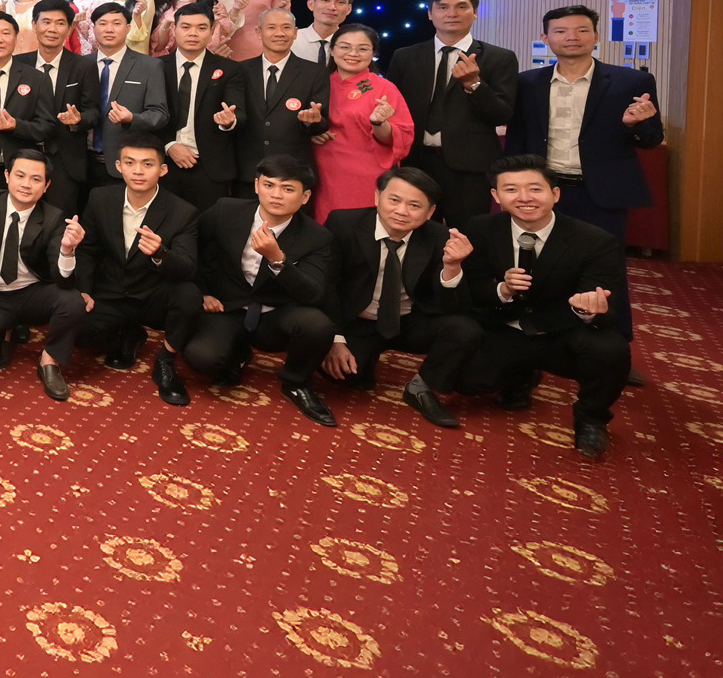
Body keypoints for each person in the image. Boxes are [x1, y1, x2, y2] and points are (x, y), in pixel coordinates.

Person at [504, 4, 660, 345]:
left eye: (581, 30)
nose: (571, 37)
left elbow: (652, 139)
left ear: (596, 36)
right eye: (560, 31)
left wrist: (635, 125)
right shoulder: (527, 82)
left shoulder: (631, 81)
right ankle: (539, 335)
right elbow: (517, 138)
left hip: (600, 192)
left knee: (606, 268)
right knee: (537, 266)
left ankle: (612, 341)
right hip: (543, 191)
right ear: (546, 37)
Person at [456, 155, 631, 459]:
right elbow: (474, 288)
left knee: (610, 349)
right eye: (511, 190)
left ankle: (591, 418)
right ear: (496, 196)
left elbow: (608, 308)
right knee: (464, 380)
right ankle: (520, 376)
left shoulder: (595, 241)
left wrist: (587, 308)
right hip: (506, 326)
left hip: (562, 330)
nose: (524, 198)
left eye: (535, 189)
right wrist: (502, 290)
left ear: (555, 193)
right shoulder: (480, 227)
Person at [183, 156, 341, 426]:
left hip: (275, 315)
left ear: (305, 197)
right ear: (256, 185)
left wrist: (278, 260)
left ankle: (295, 382)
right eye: (269, 185)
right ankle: (238, 354)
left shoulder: (317, 237)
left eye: (288, 189)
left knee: (317, 325)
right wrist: (202, 292)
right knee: (202, 359)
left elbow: (313, 293)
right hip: (227, 308)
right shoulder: (225, 210)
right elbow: (192, 249)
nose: (276, 195)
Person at [321, 167, 482, 429]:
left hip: (408, 320)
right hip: (357, 319)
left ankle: (421, 388)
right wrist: (335, 339)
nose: (401, 211)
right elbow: (327, 285)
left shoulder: (439, 237)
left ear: (430, 212)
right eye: (394, 200)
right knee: (345, 376)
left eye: (414, 205)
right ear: (377, 197)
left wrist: (452, 268)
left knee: (465, 329)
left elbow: (455, 307)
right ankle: (365, 361)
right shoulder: (344, 223)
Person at [73, 135, 201, 405]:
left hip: (153, 295)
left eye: (147, 164)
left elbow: (188, 268)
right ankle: (129, 333)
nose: (138, 171)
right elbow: (87, 250)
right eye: (130, 163)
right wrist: (83, 290)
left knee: (189, 295)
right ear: (118, 166)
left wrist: (160, 254)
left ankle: (165, 360)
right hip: (112, 292)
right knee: (75, 331)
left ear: (162, 170)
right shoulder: (100, 198)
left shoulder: (183, 212)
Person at [388, 0, 518, 227]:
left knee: (468, 233)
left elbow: (502, 113)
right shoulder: (405, 56)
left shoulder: (499, 57)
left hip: (469, 166)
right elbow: (393, 108)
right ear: (430, 14)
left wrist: (474, 85)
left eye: (461, 7)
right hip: (416, 162)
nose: (452, 13)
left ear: (475, 12)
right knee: (416, 231)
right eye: (443, 7)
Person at [0, 150, 90, 401]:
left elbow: (64, 280)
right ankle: (6, 332)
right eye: (20, 176)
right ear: (6, 176)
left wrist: (67, 250)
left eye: (36, 179)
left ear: (46, 186)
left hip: (31, 293)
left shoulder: (54, 217)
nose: (26, 184)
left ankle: (50, 360)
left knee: (72, 301)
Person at [313, 23, 415, 220]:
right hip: (323, 171)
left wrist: (380, 123)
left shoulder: (384, 87)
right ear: (332, 50)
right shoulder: (316, 83)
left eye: (362, 48)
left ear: (373, 53)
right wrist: (312, 130)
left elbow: (400, 138)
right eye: (345, 47)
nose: (353, 53)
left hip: (367, 174)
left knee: (360, 226)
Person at [11, 0, 99, 218]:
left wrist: (78, 120)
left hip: (65, 161)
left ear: (69, 29)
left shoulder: (83, 66)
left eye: (60, 23)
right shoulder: (17, 63)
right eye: (46, 22)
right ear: (34, 25)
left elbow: (93, 112)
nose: (52, 29)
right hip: (23, 154)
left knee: (60, 222)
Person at [231, 8, 331, 189]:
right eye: (271, 27)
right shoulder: (240, 70)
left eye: (286, 27)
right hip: (247, 170)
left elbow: (322, 123)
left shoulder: (314, 72)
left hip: (294, 171)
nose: (280, 33)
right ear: (259, 32)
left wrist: (312, 121)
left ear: (295, 33)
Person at [157, 2, 240, 211]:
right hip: (164, 163)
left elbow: (239, 113)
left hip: (210, 167)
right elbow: (148, 115)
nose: (193, 33)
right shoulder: (156, 67)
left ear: (212, 31)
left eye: (202, 28)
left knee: (210, 226)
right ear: (174, 29)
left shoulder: (230, 69)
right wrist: (169, 145)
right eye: (186, 27)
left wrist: (229, 122)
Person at [0, 11, 55, 194]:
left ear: (16, 38)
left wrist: (17, 126)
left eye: (6, 33)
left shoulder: (36, 78)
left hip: (16, 172)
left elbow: (47, 127)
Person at [84, 2, 169, 186]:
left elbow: (159, 114)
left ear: (128, 28)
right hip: (81, 163)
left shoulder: (149, 66)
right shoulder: (81, 64)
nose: (109, 29)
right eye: (102, 23)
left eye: (117, 23)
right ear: (94, 28)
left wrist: (132, 118)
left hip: (125, 164)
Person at [295, 0, 354, 68]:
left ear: (349, 9)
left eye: (340, 2)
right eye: (325, 0)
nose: (332, 7)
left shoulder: (353, 44)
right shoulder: (292, 40)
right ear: (311, 4)